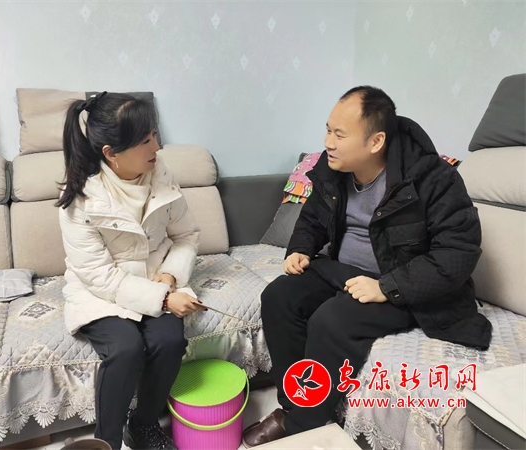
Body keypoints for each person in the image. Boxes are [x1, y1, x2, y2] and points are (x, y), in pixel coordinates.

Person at [242, 86, 492, 447]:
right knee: (279, 297)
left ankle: (301, 425)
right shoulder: (333, 171)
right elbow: (312, 218)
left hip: (405, 284)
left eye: (339, 134)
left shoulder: (432, 179)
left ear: (375, 142)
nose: (328, 142)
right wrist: (300, 249)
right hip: (344, 272)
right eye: (328, 130)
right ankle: (295, 404)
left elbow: (458, 253)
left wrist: (387, 287)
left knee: (331, 320)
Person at [56, 92, 206, 450]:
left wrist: (169, 277)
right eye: (145, 141)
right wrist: (164, 299)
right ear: (111, 153)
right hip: (101, 293)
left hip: (156, 279)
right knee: (125, 348)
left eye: (154, 134)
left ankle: (143, 425)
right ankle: (106, 442)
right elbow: (100, 277)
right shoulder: (81, 199)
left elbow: (186, 235)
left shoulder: (160, 174)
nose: (157, 146)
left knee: (169, 340)